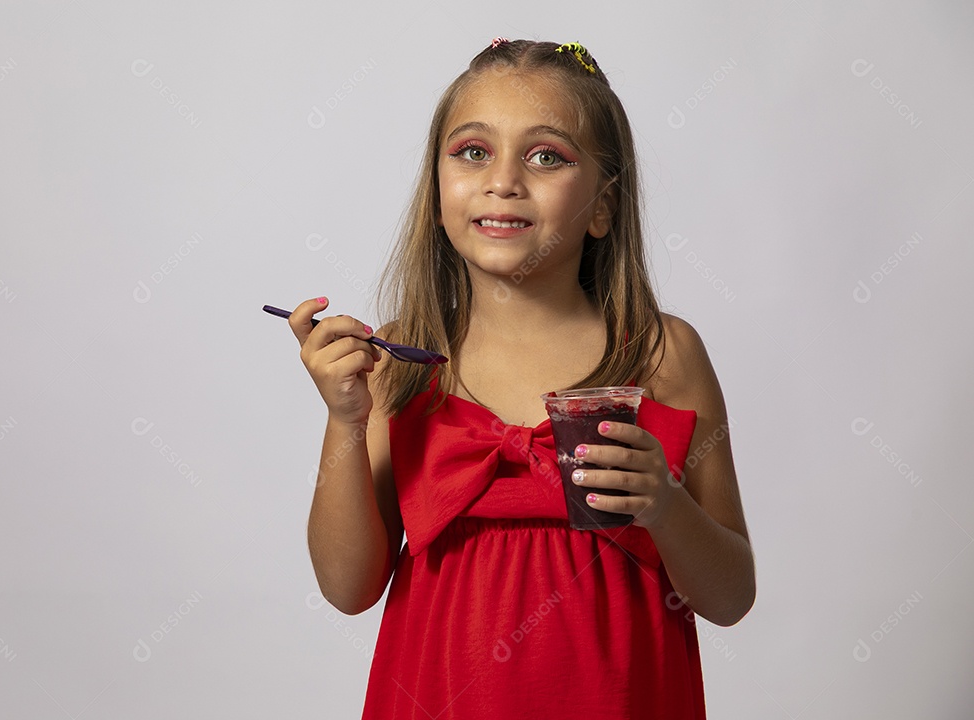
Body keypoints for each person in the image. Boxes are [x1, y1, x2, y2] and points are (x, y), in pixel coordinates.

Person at [287, 38, 754, 719]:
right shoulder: (400, 363)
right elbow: (347, 586)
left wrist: (665, 506)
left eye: (546, 156)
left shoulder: (661, 354)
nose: (503, 179)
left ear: (602, 205)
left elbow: (730, 595)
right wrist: (345, 421)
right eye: (473, 151)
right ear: (436, 195)